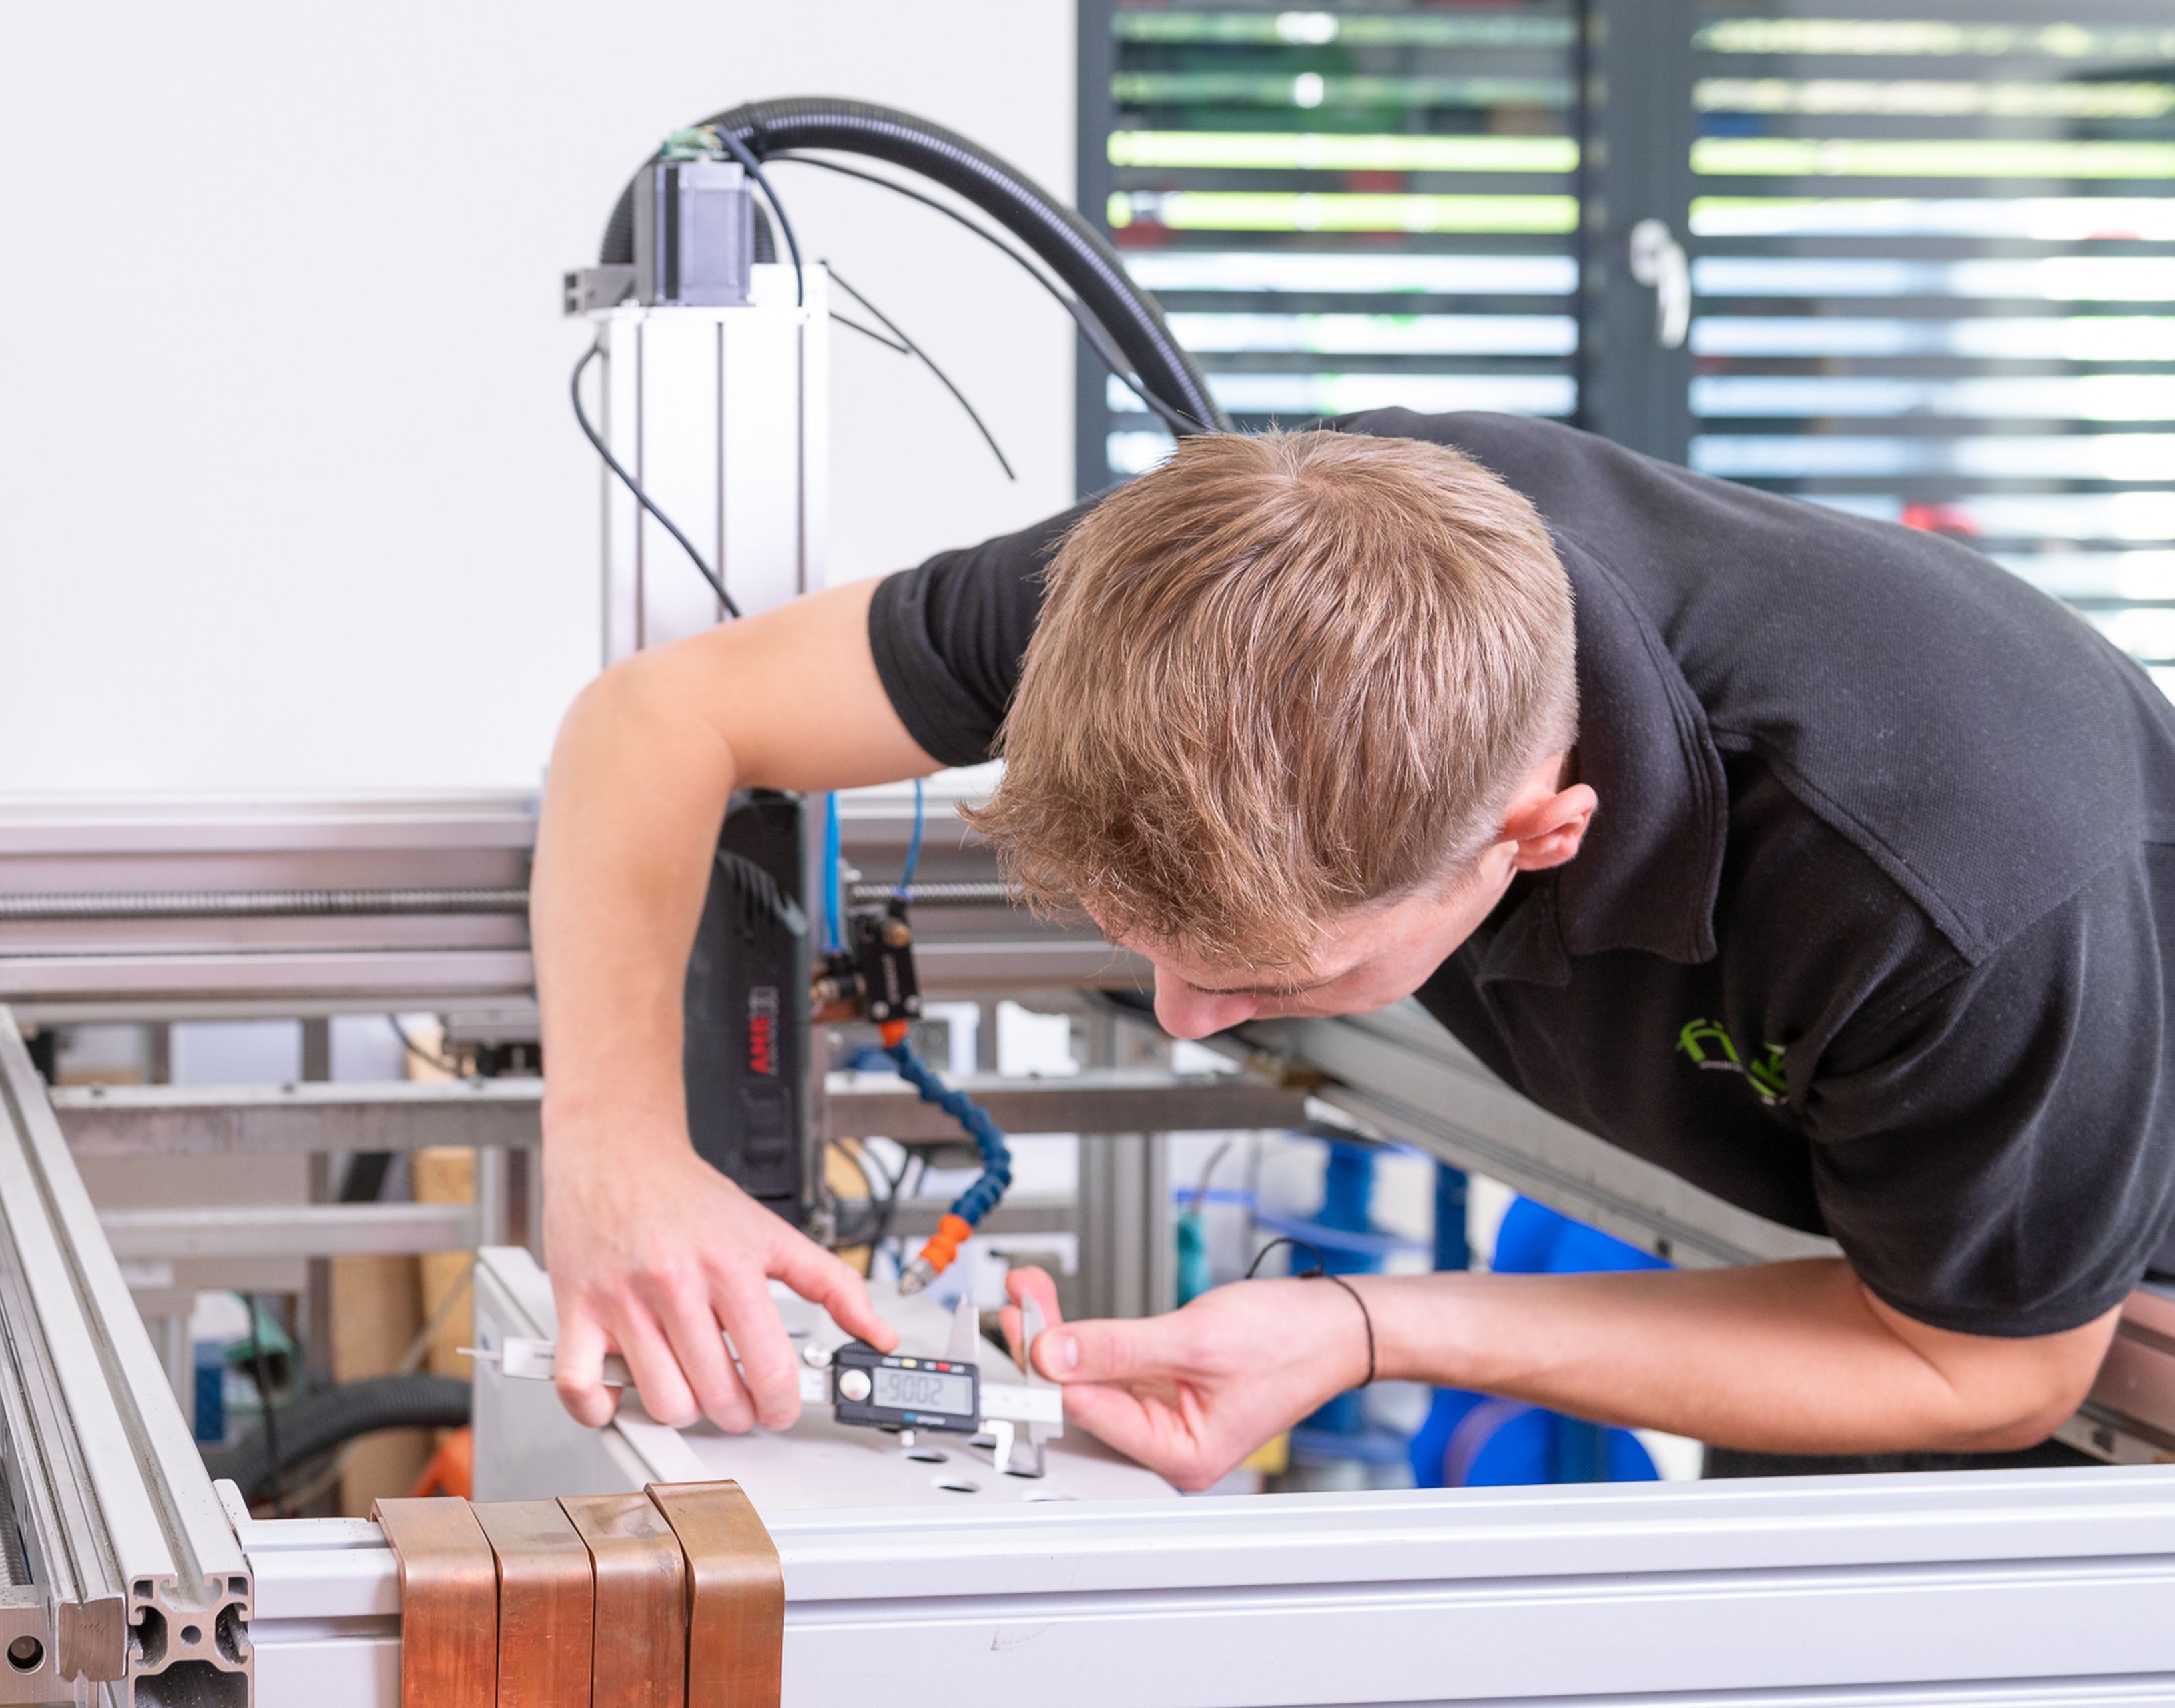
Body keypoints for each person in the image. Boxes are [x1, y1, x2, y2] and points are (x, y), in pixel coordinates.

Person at [530, 414, 2175, 1489]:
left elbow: (1990, 1367)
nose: (1183, 1021)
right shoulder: (1220, 588)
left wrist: (1367, 1324)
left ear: (1537, 834)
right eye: (1145, 955)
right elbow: (664, 715)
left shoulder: (1953, 889)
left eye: (1266, 979)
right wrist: (611, 1145)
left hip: (2084, 1236)